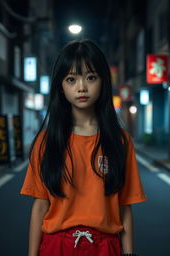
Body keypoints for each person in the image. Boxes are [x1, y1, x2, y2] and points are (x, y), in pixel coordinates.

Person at [20, 39, 147, 256]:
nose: (82, 87)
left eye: (90, 77)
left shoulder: (120, 140)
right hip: (56, 246)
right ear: (60, 86)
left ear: (103, 81)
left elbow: (124, 206)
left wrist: (129, 253)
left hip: (106, 247)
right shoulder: (46, 141)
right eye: (71, 79)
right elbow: (40, 206)